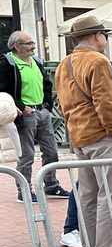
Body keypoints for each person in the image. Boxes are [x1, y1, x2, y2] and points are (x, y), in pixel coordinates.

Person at [54, 17, 112, 247]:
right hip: (101, 135)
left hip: (79, 135)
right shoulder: (98, 60)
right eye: (103, 34)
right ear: (97, 36)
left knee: (88, 195)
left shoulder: (65, 63)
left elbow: (61, 104)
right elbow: (105, 102)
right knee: (111, 195)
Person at [1, 30, 70, 201]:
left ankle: (51, 185)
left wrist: (47, 105)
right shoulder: (6, 63)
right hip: (24, 115)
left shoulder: (36, 61)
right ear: (17, 46)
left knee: (52, 151)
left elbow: (47, 84)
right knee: (27, 155)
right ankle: (24, 191)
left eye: (33, 43)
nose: (33, 46)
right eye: (29, 43)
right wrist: (21, 107)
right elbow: (2, 91)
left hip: (42, 112)